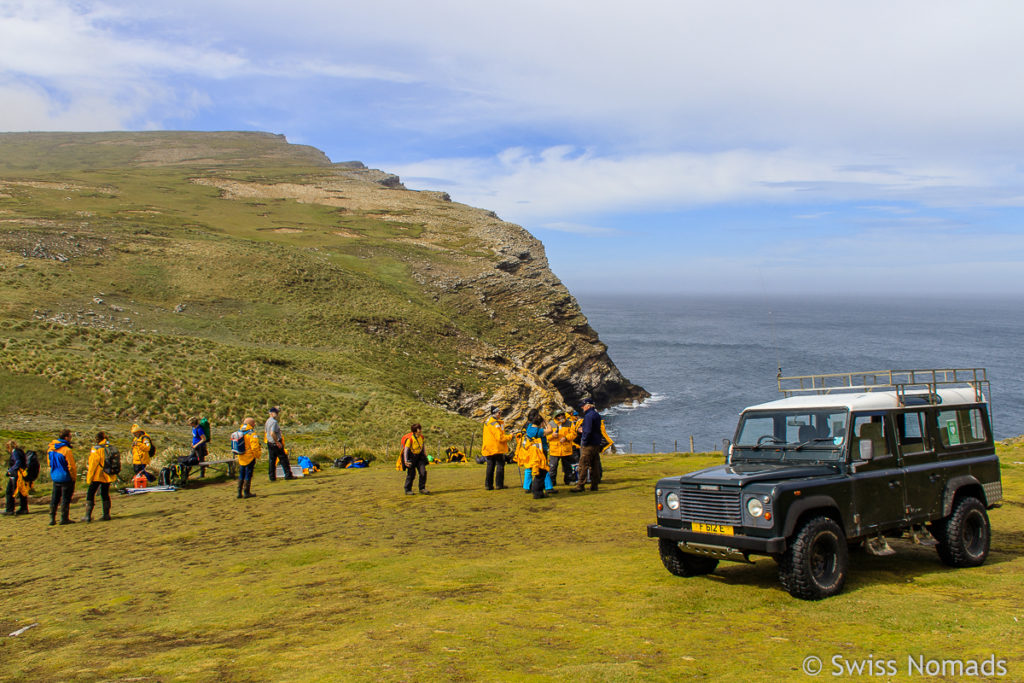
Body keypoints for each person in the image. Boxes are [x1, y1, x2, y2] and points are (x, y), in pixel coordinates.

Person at [572, 398, 604, 493]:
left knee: (583, 464)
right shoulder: (596, 414)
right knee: (594, 465)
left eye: (583, 405)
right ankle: (594, 485)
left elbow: (588, 431)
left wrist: (584, 441)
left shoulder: (589, 416)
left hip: (589, 443)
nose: (582, 407)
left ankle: (580, 485)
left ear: (588, 405)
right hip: (596, 443)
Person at [521, 409, 555, 494]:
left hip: (529, 450)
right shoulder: (539, 431)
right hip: (539, 450)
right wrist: (546, 422)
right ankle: (548, 487)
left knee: (528, 468)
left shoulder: (528, 426)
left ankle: (527, 486)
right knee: (543, 467)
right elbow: (550, 430)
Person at [47, 429, 76, 525]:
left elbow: (49, 463)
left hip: (55, 476)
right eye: (70, 437)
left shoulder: (51, 449)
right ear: (66, 437)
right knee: (65, 499)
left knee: (54, 498)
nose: (71, 439)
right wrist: (73, 477)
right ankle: (64, 518)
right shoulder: (66, 450)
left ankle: (52, 518)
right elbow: (71, 466)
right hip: (65, 477)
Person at [84, 432, 114, 522]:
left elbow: (93, 464)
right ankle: (106, 514)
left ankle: (88, 515)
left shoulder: (96, 449)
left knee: (90, 493)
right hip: (107, 474)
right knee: (105, 494)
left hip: (97, 475)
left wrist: (89, 478)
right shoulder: (110, 447)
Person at [481, 407, 513, 490]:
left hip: (488, 447)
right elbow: (500, 438)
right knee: (500, 465)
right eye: (499, 413)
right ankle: (499, 484)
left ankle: (488, 485)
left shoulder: (488, 421)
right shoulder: (495, 424)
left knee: (490, 466)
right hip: (496, 447)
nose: (500, 414)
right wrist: (510, 436)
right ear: (495, 413)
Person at [548, 411, 578, 486]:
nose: (561, 416)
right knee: (552, 467)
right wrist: (552, 435)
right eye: (559, 415)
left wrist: (566, 438)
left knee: (567, 467)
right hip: (554, 449)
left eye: (562, 415)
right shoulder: (550, 424)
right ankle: (551, 482)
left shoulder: (570, 423)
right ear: (555, 416)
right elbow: (546, 437)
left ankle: (569, 480)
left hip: (566, 449)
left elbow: (573, 434)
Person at [265, 407, 295, 482]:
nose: (277, 414)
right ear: (271, 413)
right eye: (276, 413)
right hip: (275, 443)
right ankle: (288, 475)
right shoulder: (274, 422)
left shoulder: (267, 421)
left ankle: (272, 477)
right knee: (283, 459)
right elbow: (272, 433)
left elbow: (266, 432)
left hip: (270, 443)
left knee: (272, 460)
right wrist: (277, 442)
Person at [235, 417, 262, 499]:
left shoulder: (239, 431)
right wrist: (257, 455)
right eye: (254, 423)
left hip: (241, 456)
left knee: (241, 474)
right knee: (248, 474)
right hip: (249, 456)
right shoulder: (252, 433)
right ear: (251, 424)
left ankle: (239, 492)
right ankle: (246, 492)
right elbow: (254, 447)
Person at [401, 423, 429, 495]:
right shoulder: (410, 439)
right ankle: (407, 489)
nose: (420, 430)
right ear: (415, 431)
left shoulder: (421, 437)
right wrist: (406, 461)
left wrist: (424, 453)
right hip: (411, 457)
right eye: (419, 429)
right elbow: (406, 450)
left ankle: (422, 488)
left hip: (419, 457)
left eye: (420, 428)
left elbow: (423, 445)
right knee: (411, 474)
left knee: (423, 472)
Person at [4, 440, 29, 516]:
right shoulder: (20, 451)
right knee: (21, 491)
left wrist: (10, 471)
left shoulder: (15, 452)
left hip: (16, 474)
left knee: (9, 491)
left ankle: (10, 509)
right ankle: (24, 508)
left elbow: (18, 462)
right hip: (22, 473)